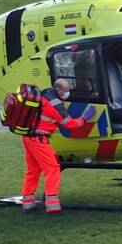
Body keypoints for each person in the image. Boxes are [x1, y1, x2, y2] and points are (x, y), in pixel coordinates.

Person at [16, 79, 96, 214]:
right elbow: (71, 125)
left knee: (33, 171)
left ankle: (28, 204)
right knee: (52, 168)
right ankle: (53, 206)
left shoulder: (46, 93)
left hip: (28, 137)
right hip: (39, 140)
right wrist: (85, 117)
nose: (68, 93)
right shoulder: (56, 105)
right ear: (58, 90)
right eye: (66, 91)